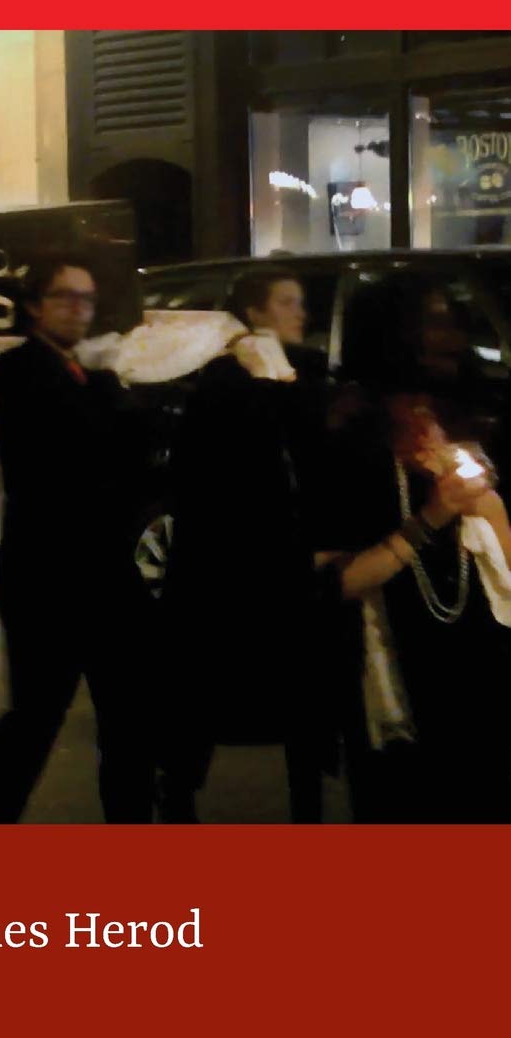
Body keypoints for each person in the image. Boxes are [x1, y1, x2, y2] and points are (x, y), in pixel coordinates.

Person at [0, 253, 154, 823]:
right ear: (34, 306)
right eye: (65, 296)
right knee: (34, 721)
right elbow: (72, 449)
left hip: (108, 578)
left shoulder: (90, 374)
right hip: (46, 582)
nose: (78, 309)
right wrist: (115, 392)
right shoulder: (20, 369)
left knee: (129, 723)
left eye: (87, 298)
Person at [313, 276, 511, 822]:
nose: (452, 338)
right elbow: (338, 583)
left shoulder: (468, 428)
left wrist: (483, 501)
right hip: (398, 676)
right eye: (434, 323)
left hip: (480, 678)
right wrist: (433, 518)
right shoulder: (349, 445)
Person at [157, 265, 330, 822]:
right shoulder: (225, 381)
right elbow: (210, 472)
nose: (300, 313)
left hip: (282, 560)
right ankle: (178, 796)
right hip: (229, 568)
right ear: (255, 313)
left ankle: (306, 809)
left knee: (297, 696)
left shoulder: (300, 373)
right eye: (287, 302)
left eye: (300, 302)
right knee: (210, 689)